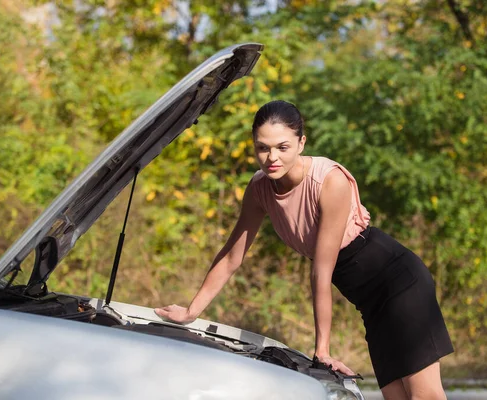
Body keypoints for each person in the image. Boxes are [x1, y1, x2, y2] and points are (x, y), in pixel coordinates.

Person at [154, 100, 454, 400]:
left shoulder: (329, 181)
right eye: (262, 148)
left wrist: (322, 349)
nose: (272, 157)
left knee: (424, 397)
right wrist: (191, 311)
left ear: (301, 143)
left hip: (400, 284)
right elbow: (233, 255)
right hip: (371, 304)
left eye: (282, 147)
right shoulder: (259, 189)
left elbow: (321, 271)